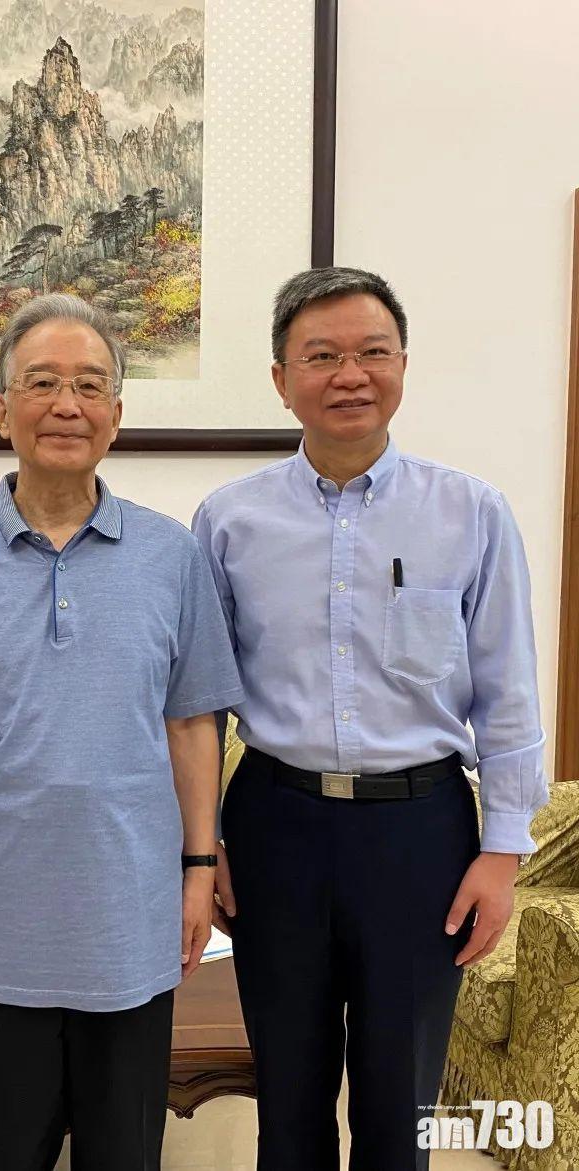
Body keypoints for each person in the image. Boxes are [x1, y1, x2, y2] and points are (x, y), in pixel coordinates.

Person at [192, 266, 547, 1171]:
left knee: (400, 1103)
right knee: (289, 1099)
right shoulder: (229, 522)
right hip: (275, 825)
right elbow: (197, 702)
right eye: (322, 356)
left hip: (420, 832)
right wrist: (202, 844)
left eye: (372, 352)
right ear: (282, 379)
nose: (349, 374)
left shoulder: (471, 512)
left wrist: (503, 853)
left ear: (402, 366)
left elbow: (509, 694)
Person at [0, 293, 243, 1171]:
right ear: (1, 409)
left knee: (125, 1152)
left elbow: (192, 723)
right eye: (41, 383)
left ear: (116, 413)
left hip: (130, 915)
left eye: (89, 385)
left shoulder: (171, 556)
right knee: (2, 1151)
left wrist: (199, 870)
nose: (66, 405)